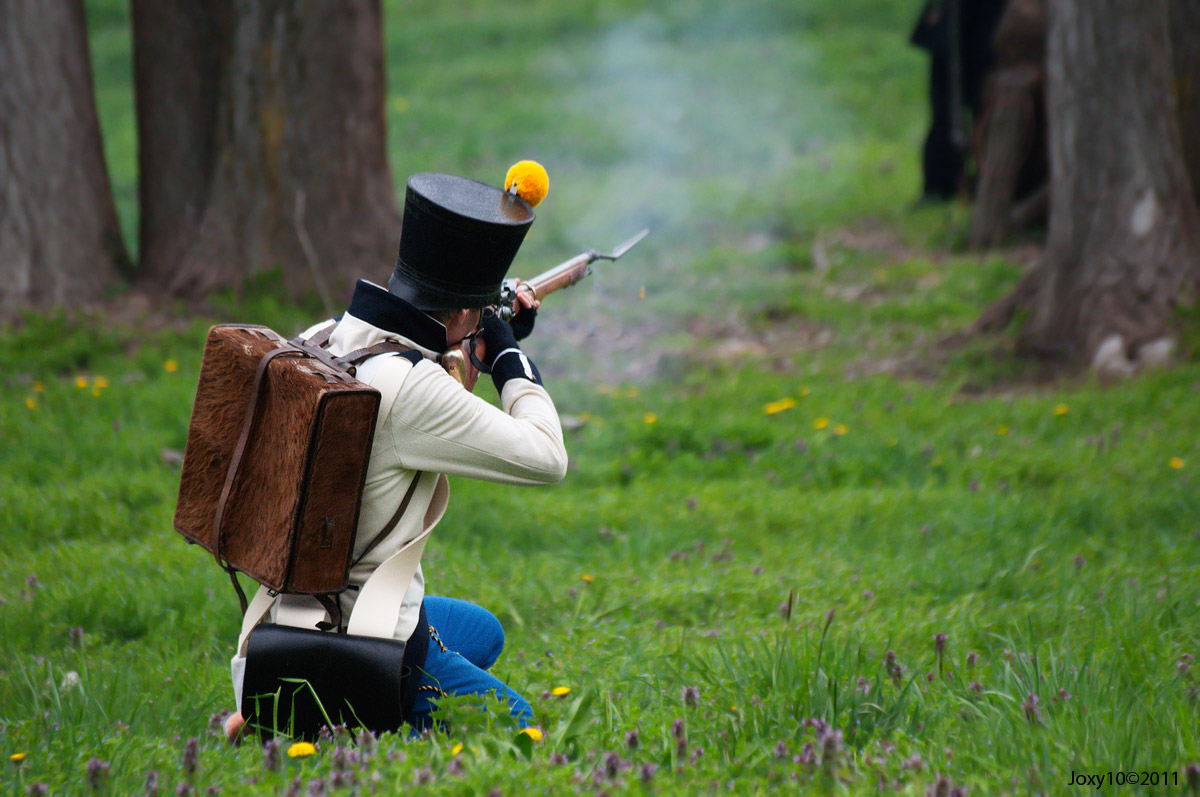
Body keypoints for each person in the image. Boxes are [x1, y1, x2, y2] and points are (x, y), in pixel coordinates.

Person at [224, 170, 567, 740]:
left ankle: (272, 701)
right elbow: (547, 457)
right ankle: (340, 715)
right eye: (478, 311)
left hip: (289, 613)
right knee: (519, 728)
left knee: (483, 632)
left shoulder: (328, 337)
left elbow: (425, 417)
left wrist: (477, 351)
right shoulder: (413, 388)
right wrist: (510, 361)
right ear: (461, 316)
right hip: (372, 638)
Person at [911, 0, 1009, 200]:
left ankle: (986, 180)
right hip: (954, 16)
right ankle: (941, 184)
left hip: (988, 19)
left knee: (985, 100)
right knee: (944, 106)